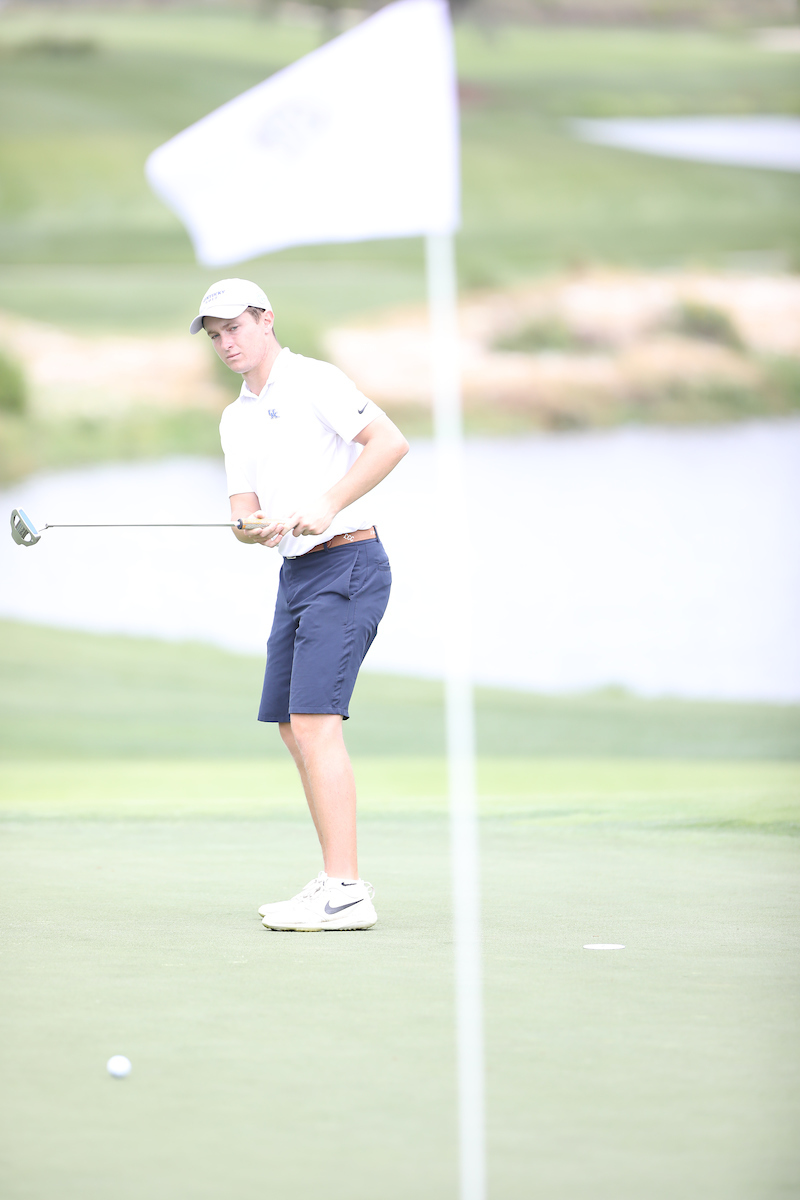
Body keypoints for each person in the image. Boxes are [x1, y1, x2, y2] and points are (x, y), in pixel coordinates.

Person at [191, 278, 409, 932]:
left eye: (236, 327)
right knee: (293, 727)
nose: (227, 342)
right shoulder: (236, 416)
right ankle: (334, 877)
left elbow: (390, 443)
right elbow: (241, 515)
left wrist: (325, 503)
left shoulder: (316, 380)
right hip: (296, 577)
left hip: (348, 560)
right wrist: (252, 527)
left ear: (266, 321)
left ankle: (346, 890)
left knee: (316, 723)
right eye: (216, 333)